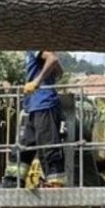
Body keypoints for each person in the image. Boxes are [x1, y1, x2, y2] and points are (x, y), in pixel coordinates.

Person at [12, 49, 65, 187]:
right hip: (33, 106)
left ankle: (55, 184)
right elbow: (59, 70)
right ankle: (12, 182)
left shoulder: (34, 46)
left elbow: (52, 59)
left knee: (48, 147)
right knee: (24, 148)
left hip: (43, 104)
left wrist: (37, 81)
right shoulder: (32, 51)